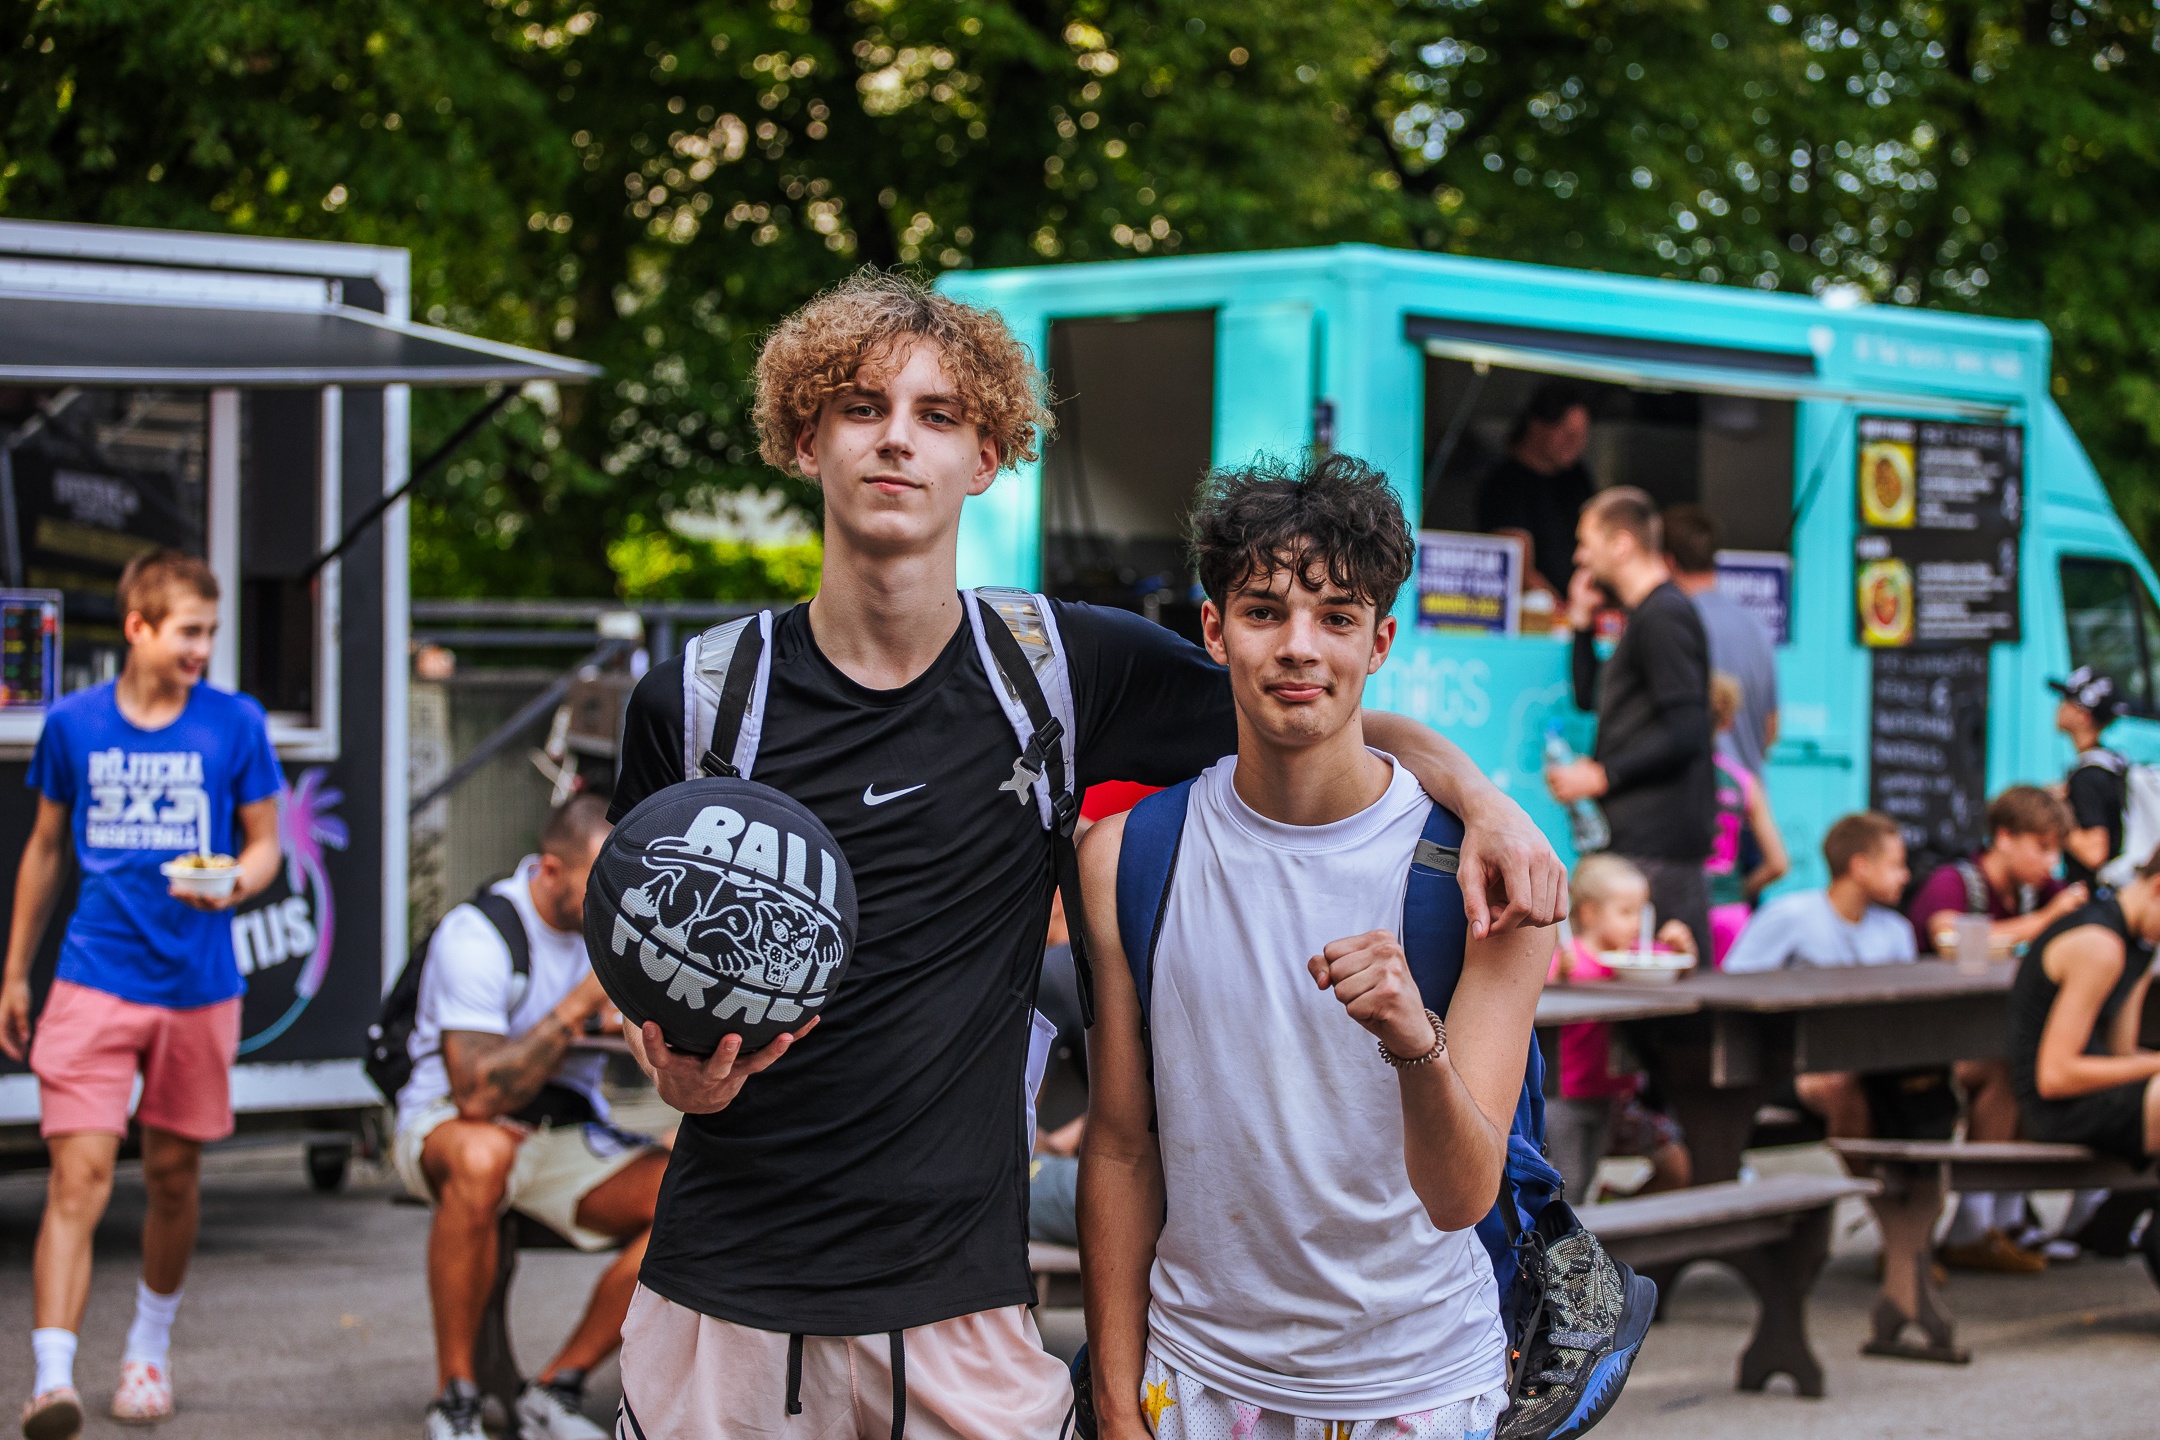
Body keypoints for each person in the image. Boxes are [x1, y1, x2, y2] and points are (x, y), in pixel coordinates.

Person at [601, 272, 1565, 1440]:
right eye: (861, 407)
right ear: (806, 440)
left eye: (937, 415)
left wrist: (1487, 800)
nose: (897, 438)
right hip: (728, 1286)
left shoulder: (1058, 671)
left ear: (988, 456)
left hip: (959, 1301)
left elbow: (1309, 705)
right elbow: (641, 970)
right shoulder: (699, 702)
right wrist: (676, 1073)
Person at [1078, 452, 1550, 1437]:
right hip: (1197, 1382)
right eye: (1264, 611)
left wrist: (1415, 1043)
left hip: (1419, 1389)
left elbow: (1463, 1195)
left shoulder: (1485, 873)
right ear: (1214, 630)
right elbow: (1122, 1144)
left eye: (1336, 617)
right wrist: (1117, 1404)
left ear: (1380, 642)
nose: (1300, 647)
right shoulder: (1127, 856)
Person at [0, 551, 285, 1438]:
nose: (203, 649)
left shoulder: (235, 722)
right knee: (77, 1178)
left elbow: (266, 843)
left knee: (171, 1177)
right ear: (139, 627)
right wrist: (14, 970)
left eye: (211, 632)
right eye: (189, 632)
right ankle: (52, 1379)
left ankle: (147, 1352)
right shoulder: (74, 724)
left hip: (198, 987)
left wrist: (235, 882)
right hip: (92, 977)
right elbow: (46, 848)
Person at [392, 794, 668, 1440]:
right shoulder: (480, 933)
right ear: (549, 870)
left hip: (562, 1134)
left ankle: (557, 1387)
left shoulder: (616, 931)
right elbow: (477, 1095)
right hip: (451, 1125)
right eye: (600, 884)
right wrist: (580, 1005)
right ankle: (455, 1398)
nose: (617, 902)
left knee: (689, 1190)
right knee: (483, 1155)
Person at [1905, 786, 2087, 1273]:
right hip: (1924, 1038)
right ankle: (1975, 1222)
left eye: (2056, 850)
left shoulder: (2034, 891)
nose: (2050, 862)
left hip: (1992, 1033)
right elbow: (1947, 936)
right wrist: (2045, 921)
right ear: (2003, 837)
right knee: (2006, 1070)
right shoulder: (1955, 882)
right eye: (2041, 847)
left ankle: (2004, 1217)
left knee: (2028, 1066)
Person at [1548, 486, 1716, 961]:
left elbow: (1688, 730)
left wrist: (1604, 775)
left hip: (1659, 849)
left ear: (1621, 544)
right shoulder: (1645, 616)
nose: (1579, 556)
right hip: (1639, 846)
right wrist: (1582, 623)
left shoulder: (1664, 616)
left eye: (1586, 542)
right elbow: (1590, 698)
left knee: (1668, 992)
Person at [1722, 812, 1915, 1137]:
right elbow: (1733, 985)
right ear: (1860, 866)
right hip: (1790, 1065)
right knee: (1839, 1081)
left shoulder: (1896, 930)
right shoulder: (1790, 915)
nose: (1906, 876)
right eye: (1896, 865)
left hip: (1873, 1059)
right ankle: (1870, 1171)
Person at [1546, 854, 1695, 1203]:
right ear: (1589, 913)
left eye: (1641, 912)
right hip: (1566, 1095)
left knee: (1593, 1177)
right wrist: (1558, 974)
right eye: (1626, 912)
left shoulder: (1636, 957)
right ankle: (1565, 1238)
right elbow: (1537, 991)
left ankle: (1612, 1212)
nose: (1636, 923)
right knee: (1571, 1183)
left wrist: (1682, 949)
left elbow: (1674, 967)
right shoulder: (1571, 959)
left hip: (1615, 1097)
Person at [2007, 852, 2160, 1165]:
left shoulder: (2141, 945)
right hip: (2055, 1109)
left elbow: (2120, 1052)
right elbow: (2054, 1076)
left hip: (2095, 1091)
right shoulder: (2098, 945)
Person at [1662, 505, 1779, 779]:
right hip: (1745, 796)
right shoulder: (1755, 626)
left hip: (1692, 794)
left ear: (1667, 562)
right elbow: (1771, 727)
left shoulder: (1669, 624)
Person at [1474, 380, 1595, 595]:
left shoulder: (1578, 476)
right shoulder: (1504, 484)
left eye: (1581, 435)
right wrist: (1565, 610)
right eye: (1567, 433)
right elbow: (1518, 569)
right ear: (1537, 426)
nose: (1575, 443)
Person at [1705, 673, 1788, 965]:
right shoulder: (1744, 782)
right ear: (1728, 722)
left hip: (1683, 908)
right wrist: (1738, 890)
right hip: (1731, 913)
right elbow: (1778, 864)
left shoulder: (1671, 780)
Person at [2053, 666, 2132, 889]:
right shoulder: (2112, 763)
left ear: (2082, 716)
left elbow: (2095, 853)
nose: (2058, 706)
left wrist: (2053, 812)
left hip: (2097, 895)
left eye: (2065, 701)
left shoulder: (2088, 776)